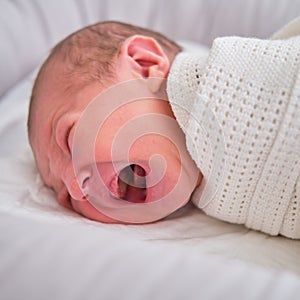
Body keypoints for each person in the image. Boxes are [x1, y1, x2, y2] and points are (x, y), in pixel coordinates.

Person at [28, 19, 300, 238]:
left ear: (144, 65)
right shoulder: (211, 195)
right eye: (65, 197)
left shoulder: (244, 79)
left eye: (70, 137)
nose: (77, 188)